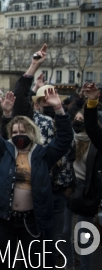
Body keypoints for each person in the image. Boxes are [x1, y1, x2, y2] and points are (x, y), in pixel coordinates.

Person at [0, 76, 73, 270]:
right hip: (4, 220)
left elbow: (64, 139)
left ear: (32, 133)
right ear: (11, 133)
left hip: (33, 221)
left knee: (34, 264)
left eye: (24, 131)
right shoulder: (4, 150)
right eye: (16, 131)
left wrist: (59, 109)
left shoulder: (43, 155)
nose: (20, 134)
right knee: (4, 263)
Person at [61, 83, 102, 270]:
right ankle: (69, 263)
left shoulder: (95, 142)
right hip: (70, 188)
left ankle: (86, 267)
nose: (78, 121)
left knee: (84, 235)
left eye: (81, 119)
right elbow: (64, 119)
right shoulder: (71, 138)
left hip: (88, 191)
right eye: (76, 119)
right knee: (65, 230)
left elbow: (93, 128)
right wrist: (86, 100)